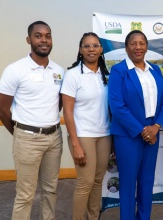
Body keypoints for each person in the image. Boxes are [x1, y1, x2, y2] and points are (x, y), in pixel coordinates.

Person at [0, 21, 64, 220]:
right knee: (25, 195)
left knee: (50, 191)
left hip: (54, 138)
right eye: (38, 35)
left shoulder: (59, 71)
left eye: (48, 35)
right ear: (29, 40)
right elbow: (1, 109)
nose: (44, 40)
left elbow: (56, 104)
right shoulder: (15, 69)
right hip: (27, 139)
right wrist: (20, 132)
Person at [108, 30, 163, 220]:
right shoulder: (119, 71)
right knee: (127, 182)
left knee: (146, 180)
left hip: (153, 131)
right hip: (128, 136)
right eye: (133, 43)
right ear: (126, 47)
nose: (138, 47)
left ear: (147, 46)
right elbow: (117, 106)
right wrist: (143, 131)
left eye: (142, 43)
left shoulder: (155, 70)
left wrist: (157, 126)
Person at [60, 32, 111, 220]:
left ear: (101, 49)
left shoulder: (106, 75)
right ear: (81, 50)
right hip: (83, 135)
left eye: (95, 45)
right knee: (86, 181)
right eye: (87, 46)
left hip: (104, 134)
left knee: (98, 181)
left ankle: (93, 217)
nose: (91, 49)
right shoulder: (73, 75)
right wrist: (75, 144)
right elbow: (67, 112)